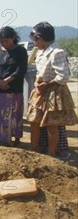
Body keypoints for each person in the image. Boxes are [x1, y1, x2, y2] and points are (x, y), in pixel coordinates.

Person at [27, 22, 77, 157]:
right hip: (40, 91)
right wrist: (38, 83)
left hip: (54, 92)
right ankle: (34, 150)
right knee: (34, 121)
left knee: (52, 125)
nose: (34, 42)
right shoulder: (40, 52)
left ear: (41, 38)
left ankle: (51, 153)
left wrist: (47, 84)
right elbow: (40, 72)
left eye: (35, 38)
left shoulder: (57, 53)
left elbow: (64, 76)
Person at [0, 27, 28, 146]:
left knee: (14, 114)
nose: (3, 43)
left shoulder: (21, 51)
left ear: (13, 38)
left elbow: (21, 69)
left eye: (6, 40)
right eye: (1, 41)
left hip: (14, 88)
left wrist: (7, 81)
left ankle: (15, 139)